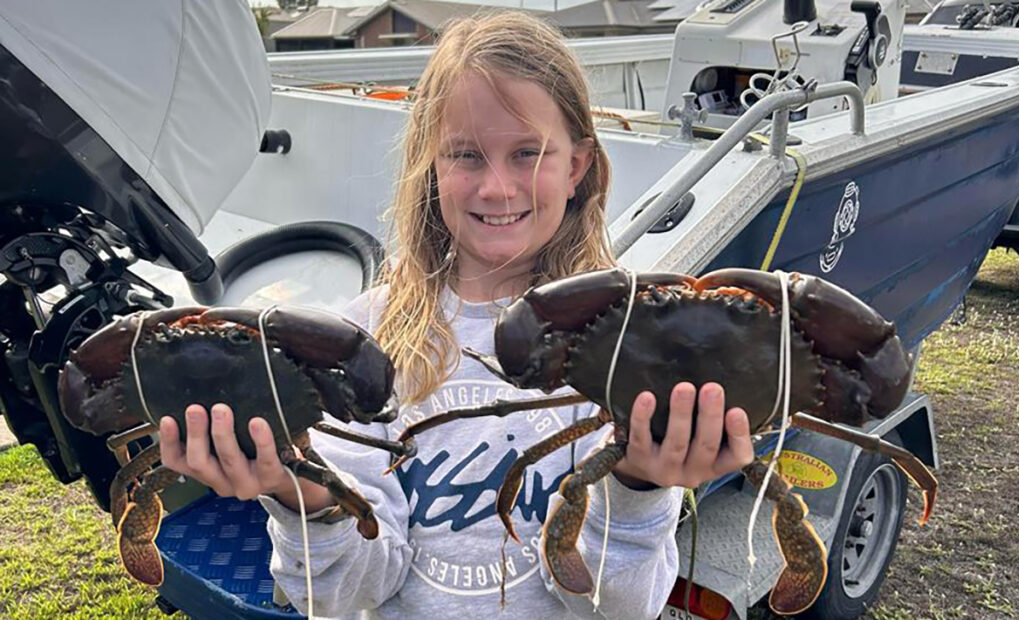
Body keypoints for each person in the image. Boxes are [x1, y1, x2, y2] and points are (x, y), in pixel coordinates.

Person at [159, 11, 755, 619]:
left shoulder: (628, 343)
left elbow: (617, 607)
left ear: (576, 166)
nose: (497, 188)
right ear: (431, 165)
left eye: (527, 153)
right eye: (467, 155)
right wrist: (304, 494)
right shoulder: (360, 346)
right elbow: (346, 594)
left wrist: (636, 490)